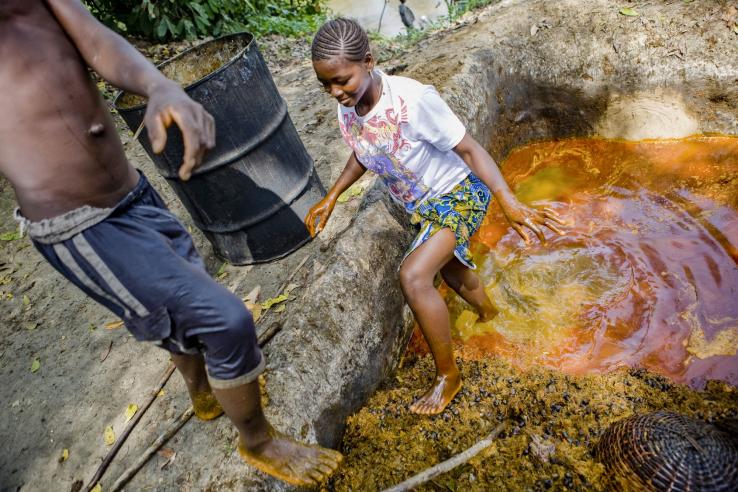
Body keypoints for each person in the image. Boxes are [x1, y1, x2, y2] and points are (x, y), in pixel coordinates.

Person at [0, 0, 341, 487]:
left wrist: (160, 85)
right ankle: (259, 442)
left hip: (131, 191)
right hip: (80, 225)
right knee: (225, 319)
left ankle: (203, 392)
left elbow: (94, 38)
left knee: (185, 290)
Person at [306, 18, 565, 415]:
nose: (335, 92)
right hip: (423, 206)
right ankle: (491, 314)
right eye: (326, 85)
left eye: (342, 80)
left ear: (370, 61)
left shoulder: (413, 101)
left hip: (459, 193)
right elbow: (363, 151)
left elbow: (470, 150)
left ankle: (449, 376)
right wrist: (332, 197)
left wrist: (508, 200)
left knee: (413, 275)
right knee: (450, 272)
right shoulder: (349, 107)